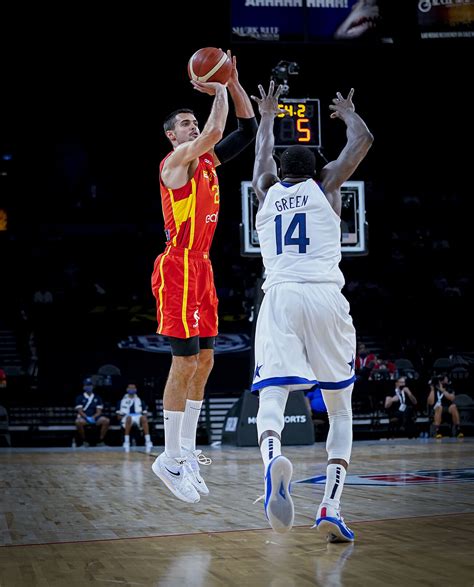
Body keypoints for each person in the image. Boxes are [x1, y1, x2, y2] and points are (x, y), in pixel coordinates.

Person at [250, 81, 373, 540]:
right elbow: (363, 142)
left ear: (278, 173)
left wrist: (267, 116)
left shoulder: (265, 191)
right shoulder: (327, 187)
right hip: (325, 296)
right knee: (340, 411)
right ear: (319, 170)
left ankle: (272, 461)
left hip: (280, 296)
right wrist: (348, 113)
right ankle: (330, 507)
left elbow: (261, 159)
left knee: (273, 396)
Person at [151, 52, 257, 503]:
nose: (192, 126)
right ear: (172, 136)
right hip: (177, 266)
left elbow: (246, 130)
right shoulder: (173, 164)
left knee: (206, 360)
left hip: (204, 266)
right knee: (184, 362)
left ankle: (187, 452)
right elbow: (216, 129)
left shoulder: (209, 162)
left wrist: (232, 81)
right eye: (184, 123)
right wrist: (215, 89)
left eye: (193, 121)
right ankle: (169, 456)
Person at [116, 382, 153, 453]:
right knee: (129, 418)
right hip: (126, 417)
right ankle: (126, 442)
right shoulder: (122, 401)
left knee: (144, 418)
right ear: (127, 389)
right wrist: (121, 418)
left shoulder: (140, 400)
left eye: (133, 388)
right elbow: (118, 415)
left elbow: (145, 413)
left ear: (135, 389)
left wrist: (143, 418)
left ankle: (148, 441)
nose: (131, 389)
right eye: (130, 388)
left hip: (137, 416)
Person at [75, 377, 110, 446]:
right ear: (84, 387)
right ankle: (84, 440)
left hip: (95, 418)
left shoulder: (97, 397)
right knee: (78, 422)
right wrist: (87, 418)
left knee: (106, 420)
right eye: (87, 385)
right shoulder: (79, 397)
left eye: (90, 385)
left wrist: (93, 417)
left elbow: (99, 411)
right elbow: (80, 411)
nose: (88, 387)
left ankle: (101, 440)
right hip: (85, 418)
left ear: (93, 387)